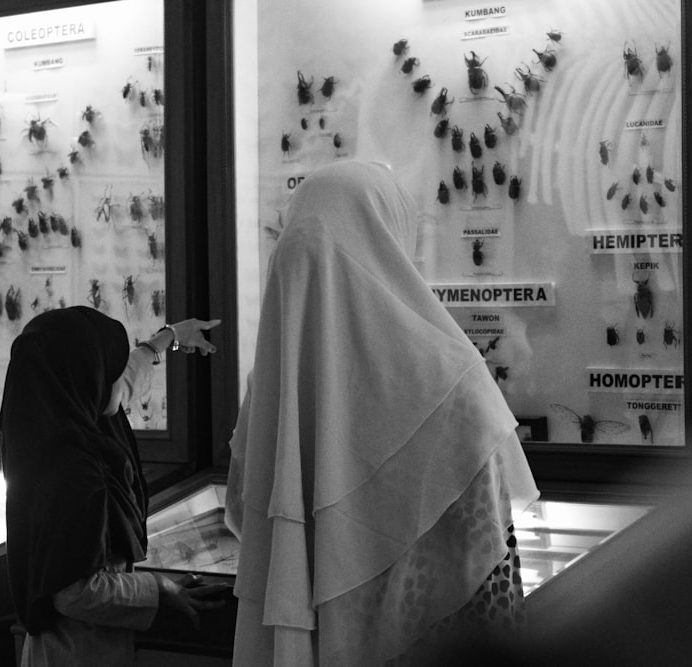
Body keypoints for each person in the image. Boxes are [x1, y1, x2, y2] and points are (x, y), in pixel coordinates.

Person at [225, 160, 539, 665]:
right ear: (391, 241)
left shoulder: (271, 388)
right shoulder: (450, 376)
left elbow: (249, 520)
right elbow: (486, 566)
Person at [0, 306, 227, 667]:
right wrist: (160, 588)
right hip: (78, 651)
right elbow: (74, 592)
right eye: (111, 370)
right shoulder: (71, 474)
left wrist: (168, 337)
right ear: (88, 377)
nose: (121, 377)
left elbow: (126, 375)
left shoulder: (54, 416)